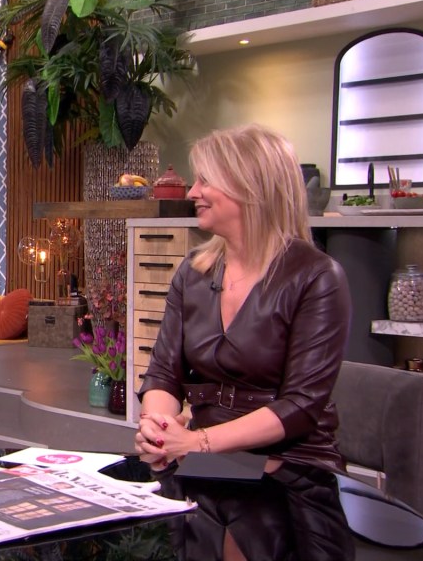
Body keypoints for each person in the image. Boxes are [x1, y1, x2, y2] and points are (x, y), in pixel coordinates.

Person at [134, 124, 354, 560]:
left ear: (250, 187)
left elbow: (301, 406)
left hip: (292, 469)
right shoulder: (191, 273)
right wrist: (158, 429)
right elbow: (163, 374)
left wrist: (197, 442)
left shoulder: (317, 277)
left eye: (206, 180)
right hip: (207, 464)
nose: (193, 191)